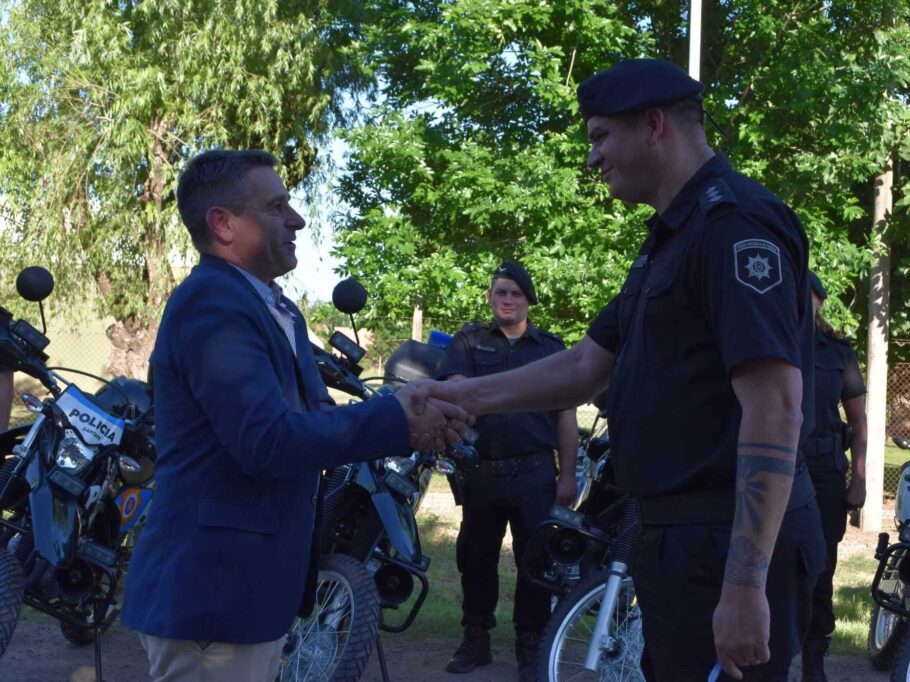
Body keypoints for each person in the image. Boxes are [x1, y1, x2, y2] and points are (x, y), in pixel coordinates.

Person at [419, 58, 827, 681]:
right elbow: (585, 367)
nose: (593, 158)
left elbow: (776, 408)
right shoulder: (670, 237)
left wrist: (746, 586)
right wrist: (457, 395)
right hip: (676, 536)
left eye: (601, 137)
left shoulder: (734, 225)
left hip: (724, 543)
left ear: (655, 125)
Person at [121, 149, 468, 682]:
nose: (298, 219)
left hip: (250, 589)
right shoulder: (212, 304)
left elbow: (318, 423)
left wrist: (411, 420)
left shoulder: (274, 306)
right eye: (277, 205)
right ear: (223, 223)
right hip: (213, 592)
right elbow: (267, 443)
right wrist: (397, 419)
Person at [437, 261, 578, 682]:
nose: (508, 300)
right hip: (481, 472)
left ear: (528, 300)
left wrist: (567, 475)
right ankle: (475, 638)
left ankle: (530, 643)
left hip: (535, 472)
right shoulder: (468, 341)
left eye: (516, 293)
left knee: (535, 561)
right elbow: (456, 387)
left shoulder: (551, 348)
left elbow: (566, 416)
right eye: (501, 292)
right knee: (476, 557)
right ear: (490, 296)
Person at [799, 273, 867, 682]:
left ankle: (814, 661)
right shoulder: (767, 342)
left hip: (824, 472)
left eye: (807, 296)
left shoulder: (838, 353)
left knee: (821, 566)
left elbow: (858, 421)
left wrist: (858, 478)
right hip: (774, 469)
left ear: (820, 301)